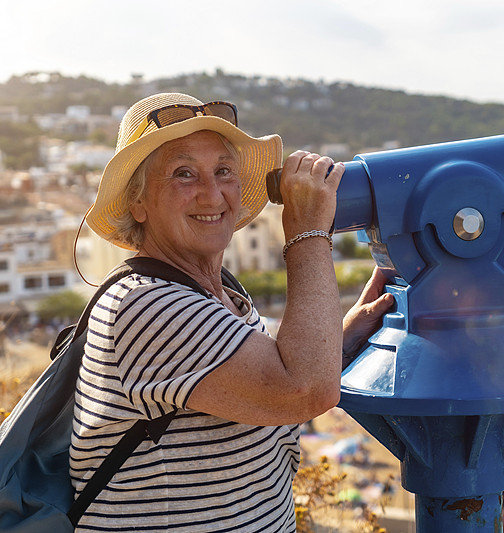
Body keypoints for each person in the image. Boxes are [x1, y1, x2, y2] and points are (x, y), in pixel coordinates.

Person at [72, 92, 393, 532]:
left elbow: (269, 381)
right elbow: (305, 392)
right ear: (138, 203)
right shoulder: (144, 304)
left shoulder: (221, 295)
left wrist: (344, 336)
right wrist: (308, 231)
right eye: (184, 174)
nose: (212, 193)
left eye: (223, 171)